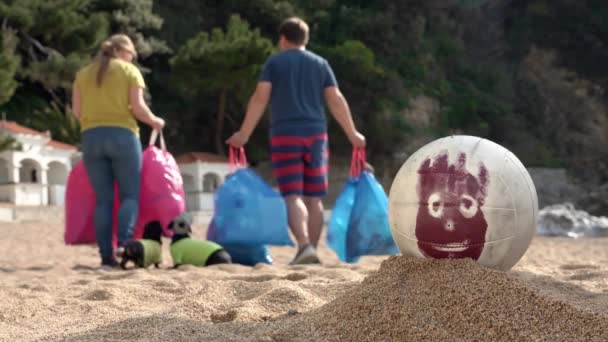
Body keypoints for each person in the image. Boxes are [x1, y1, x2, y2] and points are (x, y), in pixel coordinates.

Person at [226, 17, 366, 265]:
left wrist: (244, 134)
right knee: (314, 198)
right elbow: (336, 99)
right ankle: (310, 249)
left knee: (292, 195)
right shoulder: (320, 63)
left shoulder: (274, 62)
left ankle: (303, 246)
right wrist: (353, 134)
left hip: (285, 134)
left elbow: (260, 97)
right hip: (316, 136)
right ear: (306, 39)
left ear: (282, 39)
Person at [71, 34, 165, 268]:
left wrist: (97, 120)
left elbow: (77, 111)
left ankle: (105, 257)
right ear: (124, 52)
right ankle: (124, 244)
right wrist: (155, 121)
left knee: (103, 200)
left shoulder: (83, 74)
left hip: (91, 138)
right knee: (129, 196)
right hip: (123, 136)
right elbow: (139, 108)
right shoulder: (129, 71)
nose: (132, 59)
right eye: (132, 54)